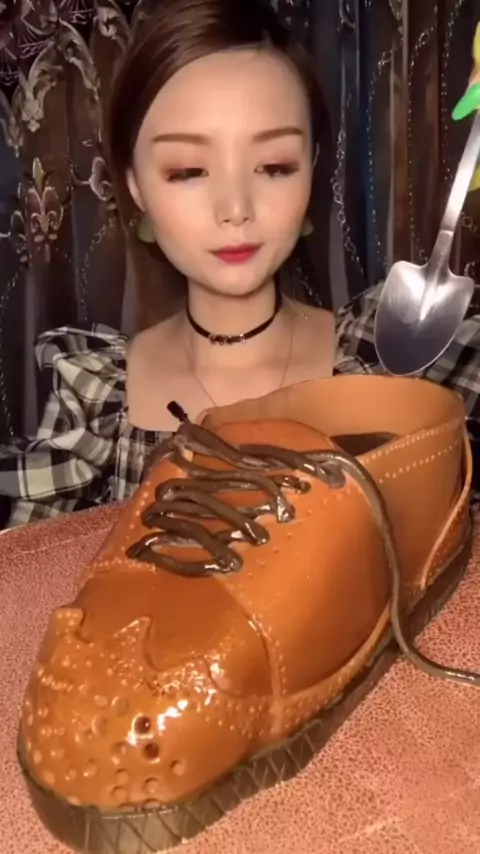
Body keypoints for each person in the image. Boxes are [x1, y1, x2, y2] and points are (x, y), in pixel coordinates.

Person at [1, 0, 480, 528]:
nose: (235, 209)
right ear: (135, 187)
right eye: (189, 171)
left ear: (311, 168)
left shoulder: (396, 353)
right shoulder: (96, 400)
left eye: (274, 166)